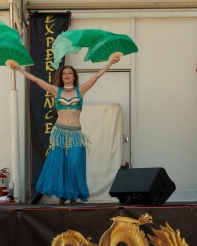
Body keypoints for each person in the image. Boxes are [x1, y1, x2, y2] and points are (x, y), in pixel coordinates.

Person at [11, 57, 120, 204]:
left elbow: (96, 76)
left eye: (69, 73)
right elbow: (37, 80)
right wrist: (18, 70)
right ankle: (63, 196)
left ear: (74, 76)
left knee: (74, 162)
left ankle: (74, 195)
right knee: (60, 164)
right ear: (61, 77)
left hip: (75, 134)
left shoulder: (81, 90)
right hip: (59, 133)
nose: (67, 75)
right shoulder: (56, 91)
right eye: (64, 74)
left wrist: (110, 63)